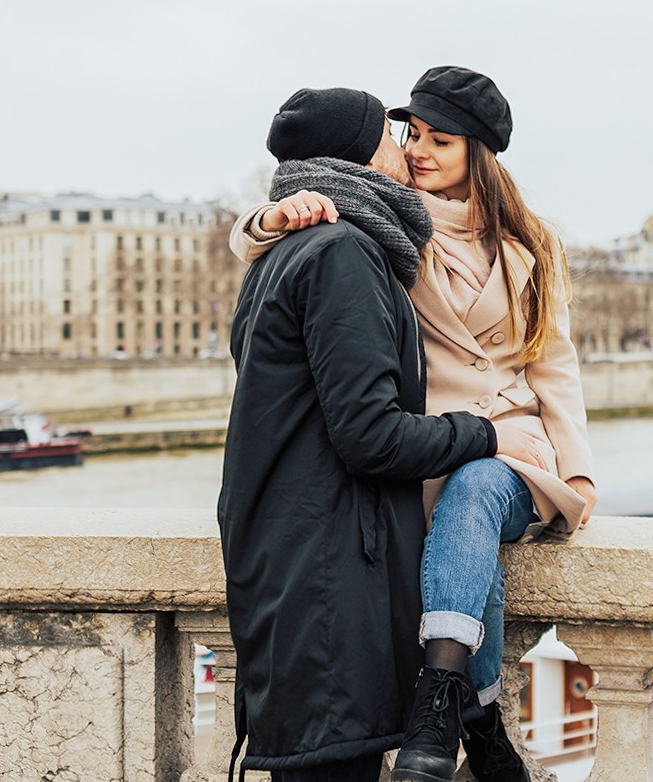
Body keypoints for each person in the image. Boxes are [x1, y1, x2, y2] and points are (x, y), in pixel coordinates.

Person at [231, 66, 596, 782]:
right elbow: (282, 236)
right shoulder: (395, 225)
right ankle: (477, 712)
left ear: (479, 155)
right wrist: (266, 217)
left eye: (440, 139)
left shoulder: (531, 244)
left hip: (513, 444)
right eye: (411, 134)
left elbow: (555, 361)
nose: (419, 149)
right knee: (469, 533)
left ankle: (443, 701)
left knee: (478, 493)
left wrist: (576, 468)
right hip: (440, 443)